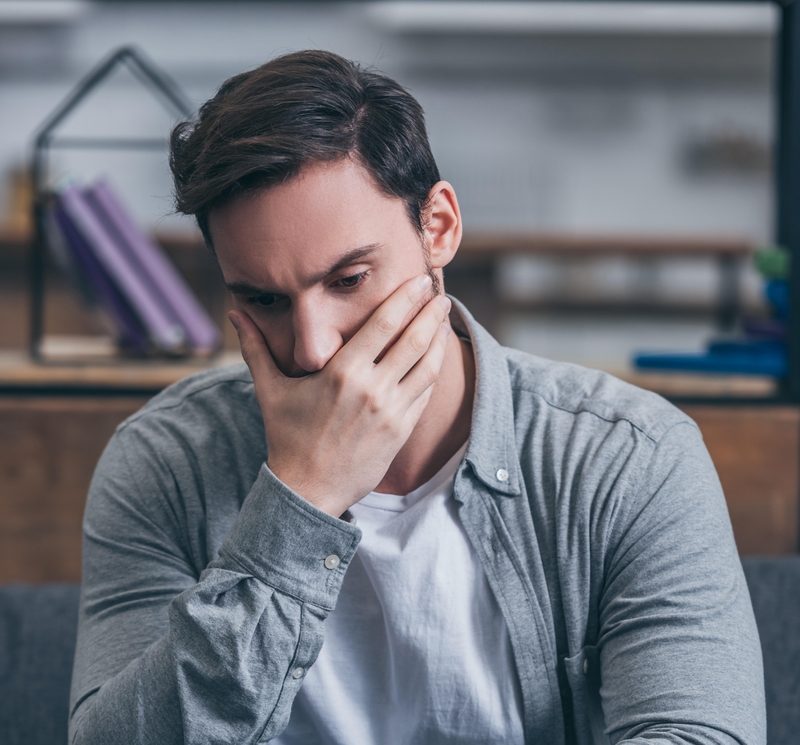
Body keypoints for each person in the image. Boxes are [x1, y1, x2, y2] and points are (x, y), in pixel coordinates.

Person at [69, 50, 765, 744]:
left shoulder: (627, 459)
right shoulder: (165, 462)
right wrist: (300, 500)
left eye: (348, 280)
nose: (313, 347)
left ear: (439, 228)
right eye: (264, 299)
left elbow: (702, 732)